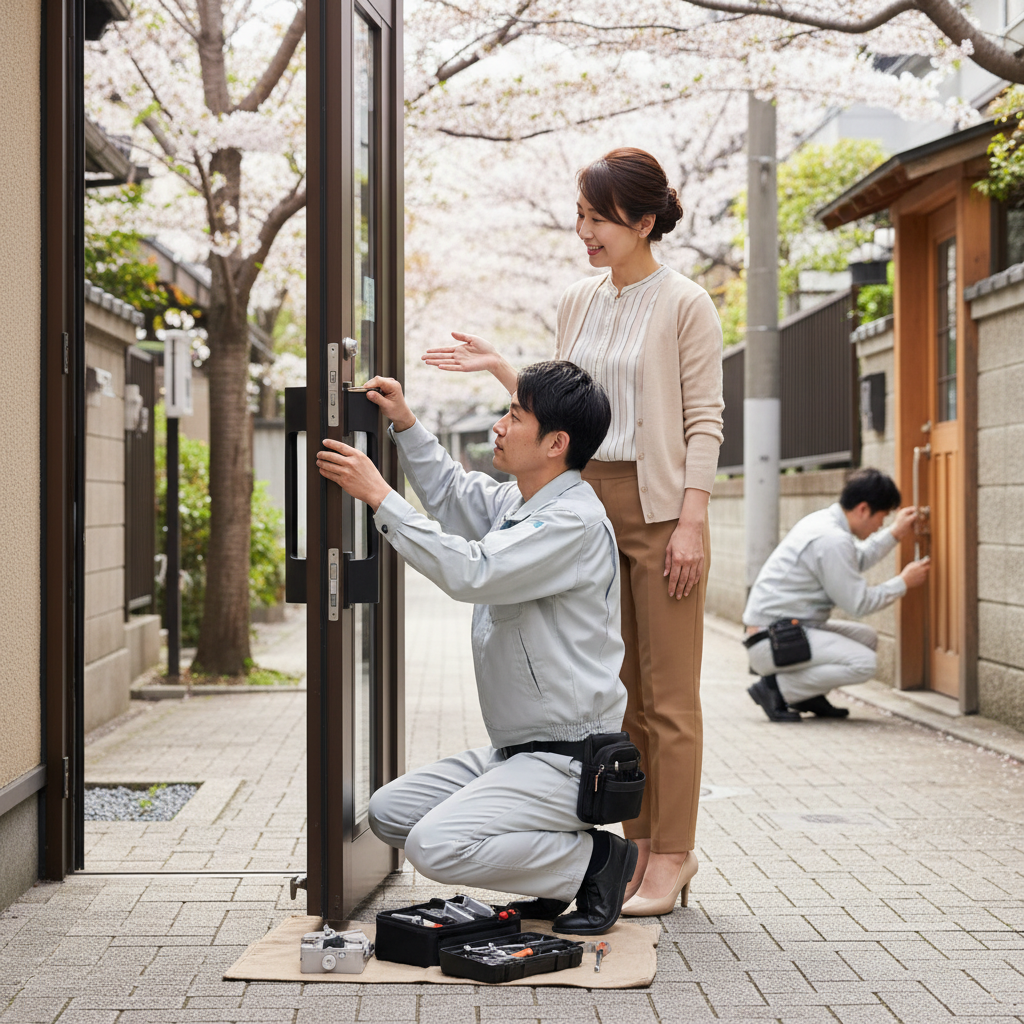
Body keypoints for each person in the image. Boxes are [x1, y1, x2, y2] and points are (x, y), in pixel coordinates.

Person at [423, 147, 724, 916]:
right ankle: (637, 848)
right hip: (583, 507)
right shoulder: (576, 301)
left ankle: (676, 855)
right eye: (581, 216)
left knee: (669, 696)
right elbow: (565, 407)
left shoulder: (686, 303)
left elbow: (704, 422)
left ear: (644, 222)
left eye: (599, 219)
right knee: (617, 698)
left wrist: (691, 522)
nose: (585, 231)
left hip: (660, 509)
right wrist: (503, 370)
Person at [316, 361, 637, 936]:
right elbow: (451, 492)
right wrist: (406, 423)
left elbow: (474, 572)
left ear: (556, 443)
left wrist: (380, 496)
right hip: (512, 753)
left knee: (433, 846)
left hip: (568, 760)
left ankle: (594, 863)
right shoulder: (523, 503)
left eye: (515, 416)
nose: (499, 425)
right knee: (390, 813)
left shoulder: (572, 523)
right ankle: (553, 871)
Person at [743, 468, 931, 722]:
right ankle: (775, 690)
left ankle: (805, 695)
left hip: (783, 631)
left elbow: (855, 559)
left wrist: (895, 533)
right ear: (863, 509)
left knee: (866, 638)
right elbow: (859, 604)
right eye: (882, 517)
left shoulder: (824, 523)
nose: (881, 525)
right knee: (865, 663)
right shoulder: (831, 539)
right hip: (774, 640)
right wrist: (903, 583)